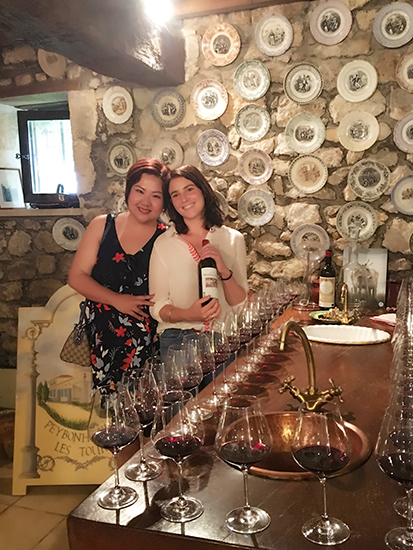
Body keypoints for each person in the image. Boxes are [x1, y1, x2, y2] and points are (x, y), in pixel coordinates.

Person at [68, 158, 170, 390]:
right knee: (109, 404)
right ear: (128, 191)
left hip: (148, 341)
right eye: (139, 191)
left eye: (156, 196)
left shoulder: (167, 238)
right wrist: (116, 299)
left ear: (164, 202)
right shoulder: (102, 226)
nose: (145, 202)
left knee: (147, 405)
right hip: (103, 337)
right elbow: (77, 276)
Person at [149, 165, 248, 359]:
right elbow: (157, 307)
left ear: (203, 190)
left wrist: (223, 270)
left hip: (224, 339)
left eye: (189, 189)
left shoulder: (233, 239)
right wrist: (189, 314)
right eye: (175, 195)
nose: (184, 199)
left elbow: (240, 306)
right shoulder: (163, 243)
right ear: (171, 203)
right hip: (178, 339)